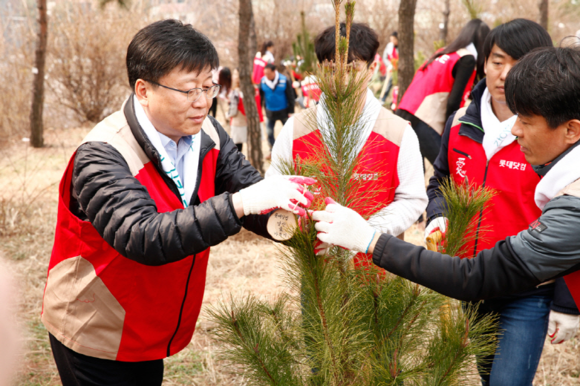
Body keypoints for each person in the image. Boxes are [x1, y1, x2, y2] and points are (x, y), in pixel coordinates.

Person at [41, 19, 314, 386]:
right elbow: (143, 236)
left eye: (208, 87)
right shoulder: (103, 155)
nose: (202, 103)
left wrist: (297, 225)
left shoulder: (208, 134)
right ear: (143, 90)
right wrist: (238, 204)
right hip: (96, 330)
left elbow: (247, 188)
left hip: (150, 328)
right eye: (188, 91)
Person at [312, 46, 580, 378]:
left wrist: (369, 240)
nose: (515, 131)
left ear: (571, 130)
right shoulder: (557, 177)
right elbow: (440, 179)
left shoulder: (572, 212)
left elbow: (474, 277)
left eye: (525, 121)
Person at [424, 19, 578, 386]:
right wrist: (438, 217)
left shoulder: (551, 140)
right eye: (497, 60)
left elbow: (568, 228)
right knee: (487, 375)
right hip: (471, 282)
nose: (505, 74)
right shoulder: (461, 122)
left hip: (528, 291)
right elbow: (440, 182)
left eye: (517, 63)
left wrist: (566, 301)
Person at [267, 22, 427, 267]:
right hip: (319, 281)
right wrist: (301, 223)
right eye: (331, 69)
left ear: (372, 68)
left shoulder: (398, 133)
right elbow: (275, 190)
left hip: (379, 279)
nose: (341, 80)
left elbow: (413, 199)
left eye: (352, 69)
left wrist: (363, 234)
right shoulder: (295, 130)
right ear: (319, 69)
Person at [397, 19, 490, 166]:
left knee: (413, 180)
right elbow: (454, 101)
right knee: (448, 172)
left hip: (403, 113)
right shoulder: (467, 59)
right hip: (424, 120)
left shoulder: (444, 51)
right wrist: (450, 133)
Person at [259, 63, 295, 152]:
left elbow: (290, 95)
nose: (266, 76)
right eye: (265, 74)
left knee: (289, 131)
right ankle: (273, 150)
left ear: (274, 71)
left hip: (283, 111)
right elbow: (261, 97)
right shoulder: (263, 81)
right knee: (269, 133)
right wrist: (261, 109)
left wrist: (291, 110)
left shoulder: (284, 80)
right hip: (270, 111)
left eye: (268, 74)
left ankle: (291, 149)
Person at [380, 31, 398, 103]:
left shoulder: (401, 48)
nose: (392, 41)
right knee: (388, 83)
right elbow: (385, 57)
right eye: (391, 40)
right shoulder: (389, 46)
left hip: (398, 69)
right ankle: (382, 99)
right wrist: (390, 65)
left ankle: (394, 101)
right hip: (390, 68)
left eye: (393, 40)